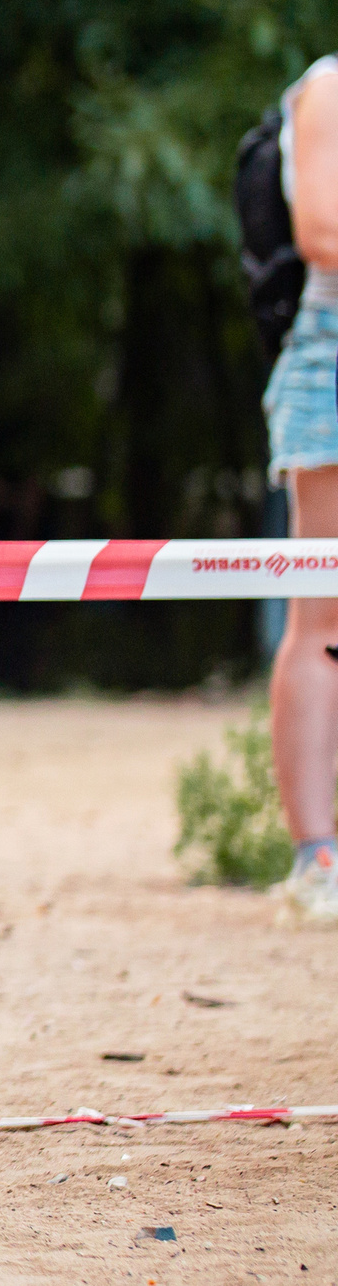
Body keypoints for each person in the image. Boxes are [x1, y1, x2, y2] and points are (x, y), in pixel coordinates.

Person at [269, 57, 338, 924]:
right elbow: (321, 228)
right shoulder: (332, 86)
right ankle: (317, 855)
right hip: (333, 370)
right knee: (324, 617)